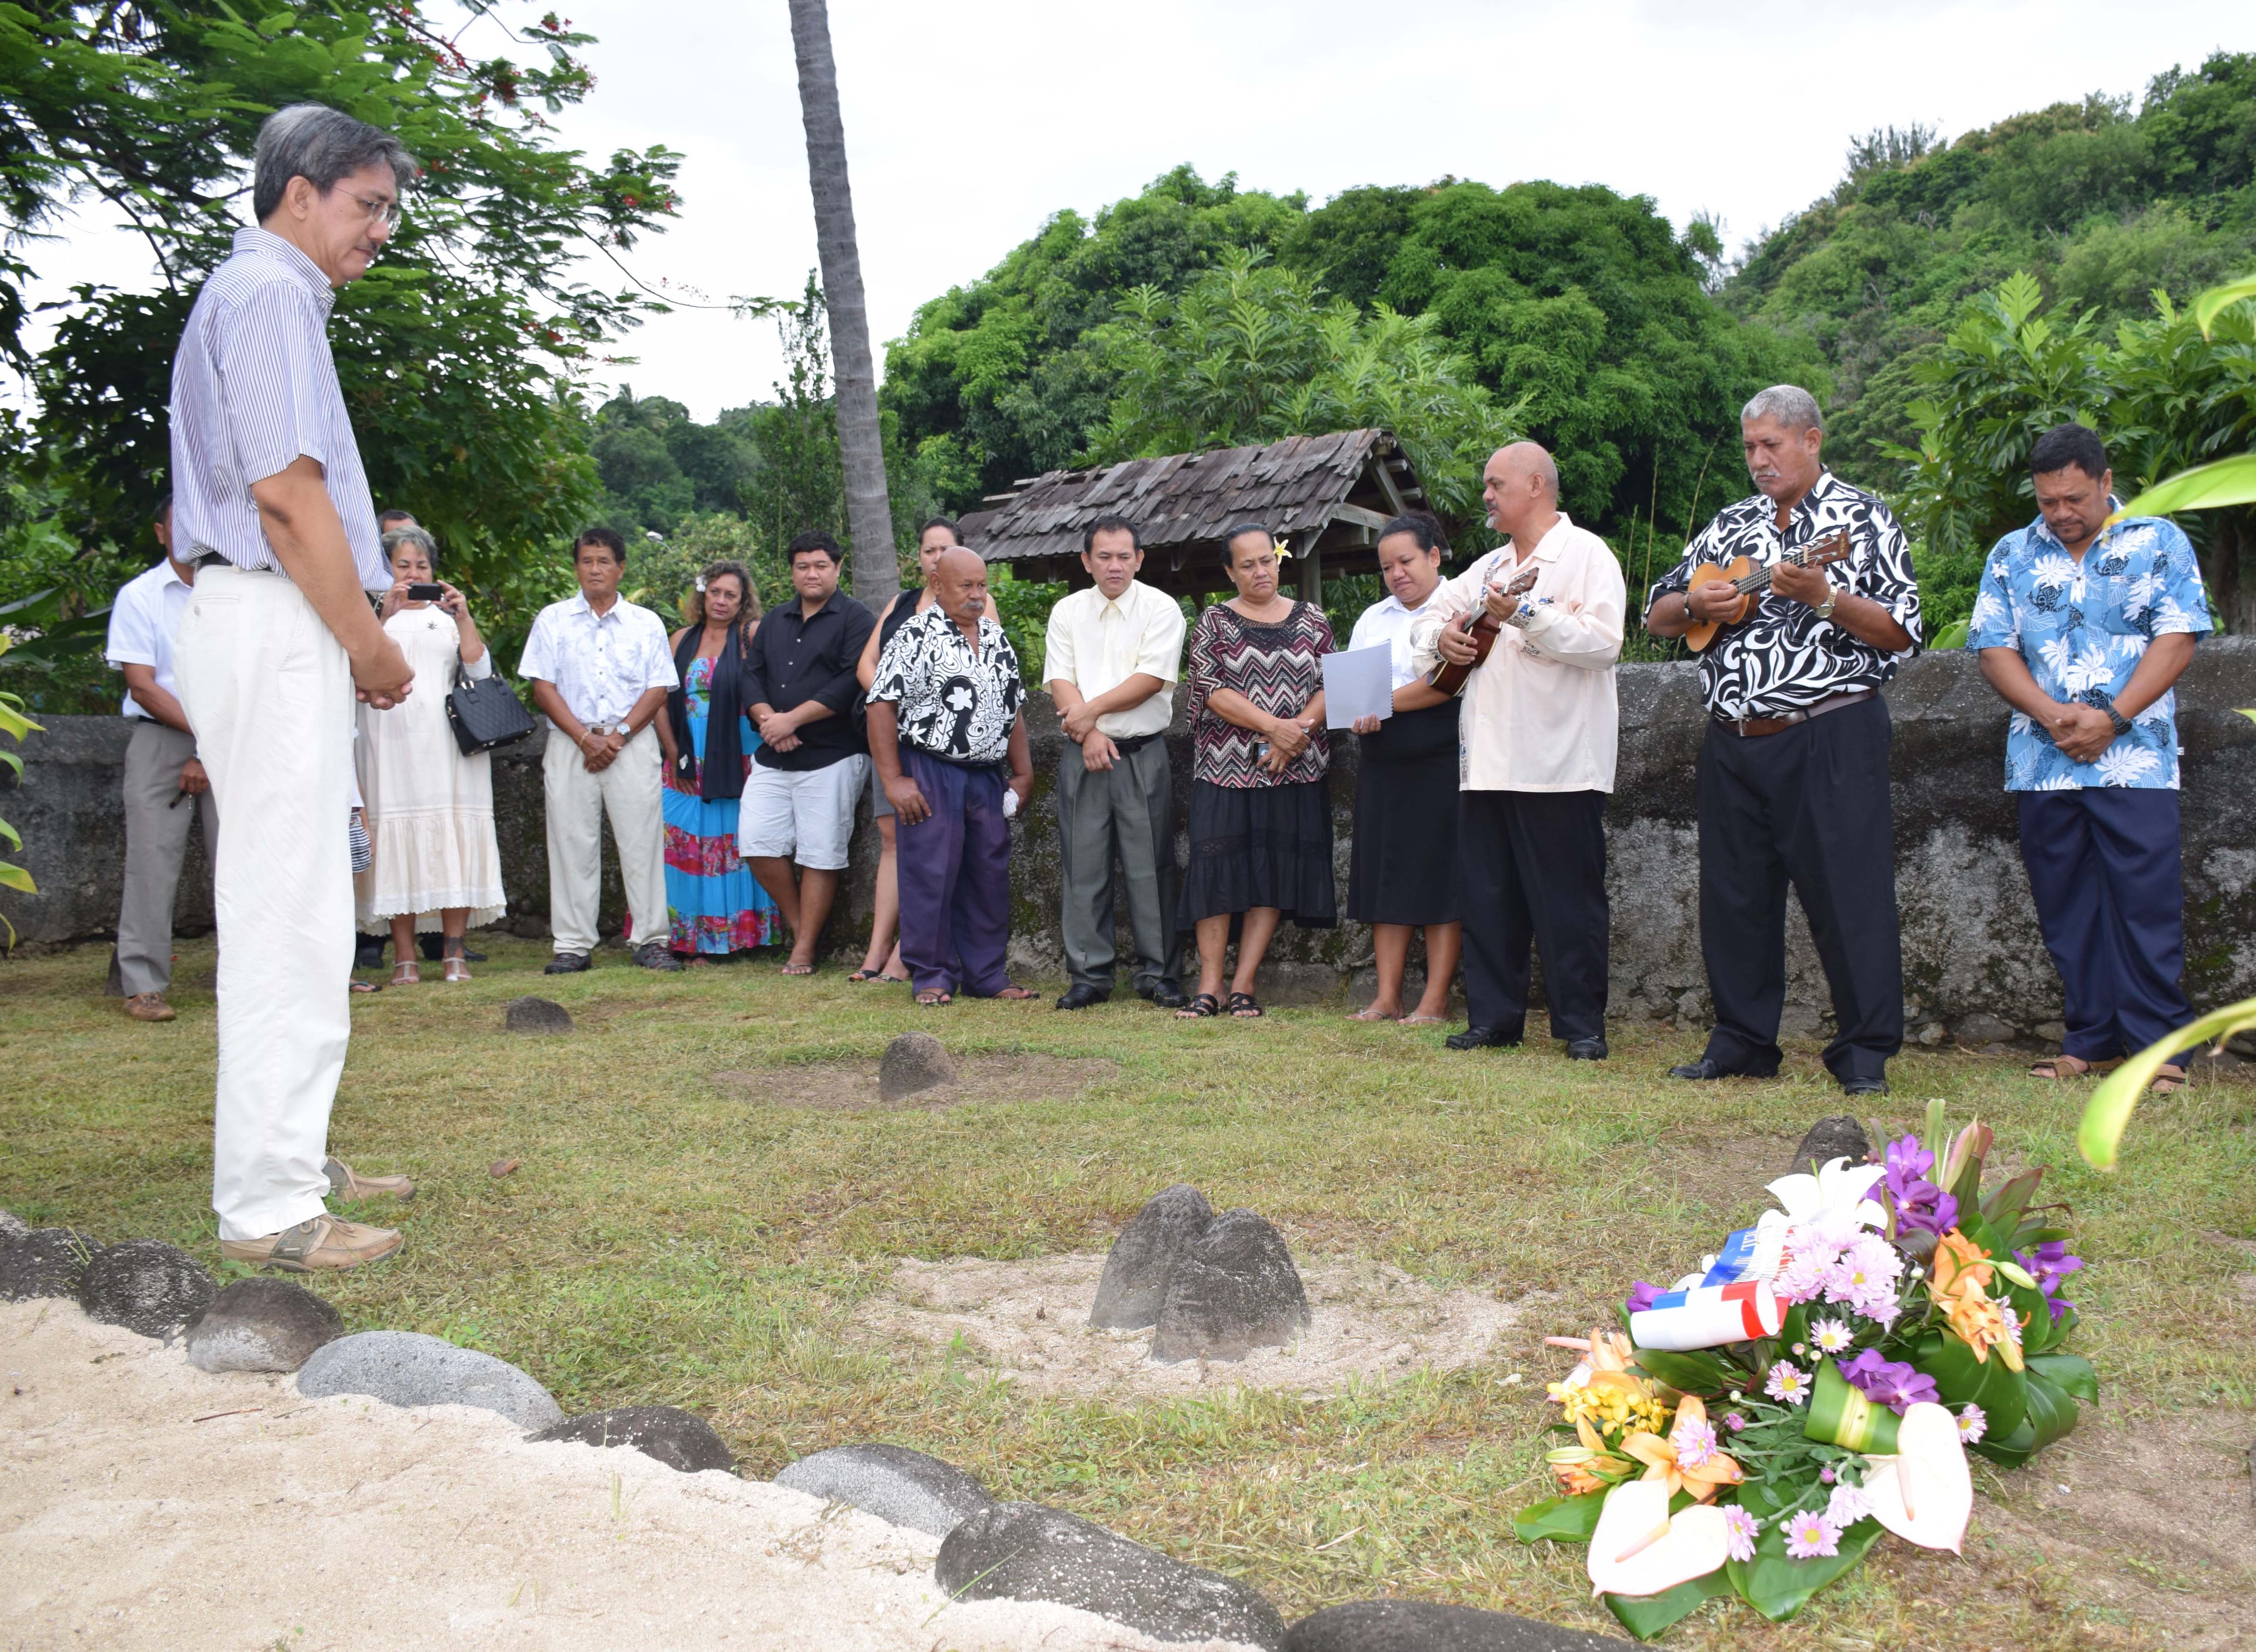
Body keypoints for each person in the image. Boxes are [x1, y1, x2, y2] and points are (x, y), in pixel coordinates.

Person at [167, 102, 420, 1272]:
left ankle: (296, 1157)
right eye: (368, 207)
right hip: (275, 615)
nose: (380, 233)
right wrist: (370, 644)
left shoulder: (268, 298)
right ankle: (269, 1205)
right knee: (289, 914)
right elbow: (285, 497)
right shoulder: (266, 294)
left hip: (274, 616)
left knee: (306, 903)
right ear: (300, 190)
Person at [1644, 385, 1922, 1097]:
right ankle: (1741, 1041)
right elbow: (1658, 613)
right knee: (1734, 895)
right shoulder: (1730, 523)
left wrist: (1823, 597)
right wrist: (1696, 604)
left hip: (1826, 728)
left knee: (1848, 893)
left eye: (1770, 444)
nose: (1758, 459)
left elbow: (1900, 630)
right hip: (1733, 735)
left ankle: (1863, 1053)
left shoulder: (1859, 516)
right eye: (1748, 448)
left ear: (1810, 441)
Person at [1968, 422, 2213, 1094]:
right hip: (2043, 762)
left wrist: (2112, 718)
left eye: (2075, 498)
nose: (2062, 514)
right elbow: (1994, 647)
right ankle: (2093, 1040)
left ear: (2107, 482)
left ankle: (2160, 1049)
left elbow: (2179, 637)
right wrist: (2054, 718)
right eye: (2049, 501)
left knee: (2146, 903)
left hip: (2136, 759)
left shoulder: (2158, 541)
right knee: (2066, 904)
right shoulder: (2012, 554)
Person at [1414, 447, 1625, 1057]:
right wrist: (1443, 637)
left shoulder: (1587, 554)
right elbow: (1427, 614)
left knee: (1568, 902)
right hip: (1486, 760)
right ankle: (1495, 1017)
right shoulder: (1487, 566)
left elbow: (1605, 643)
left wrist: (1527, 612)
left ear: (1536, 485)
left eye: (1494, 484)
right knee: (1488, 896)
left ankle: (1581, 1024)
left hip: (1560, 760)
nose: (1485, 495)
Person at [1176, 525, 1335, 1019]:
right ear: (1230, 572)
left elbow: (1333, 683)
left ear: (1278, 561)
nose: (1260, 571)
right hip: (1224, 769)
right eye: (1247, 565)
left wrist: (1296, 733)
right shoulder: (1214, 623)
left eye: (1266, 560)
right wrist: (1274, 727)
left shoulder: (1313, 619)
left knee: (1272, 869)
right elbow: (1211, 690)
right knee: (1215, 869)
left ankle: (1244, 985)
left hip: (1295, 768)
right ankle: (1210, 986)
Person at [866, 546, 1037, 1007]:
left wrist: (1023, 773)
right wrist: (894, 780)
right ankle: (934, 976)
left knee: (988, 874)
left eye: (982, 585)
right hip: (931, 770)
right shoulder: (914, 634)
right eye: (966, 586)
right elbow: (881, 704)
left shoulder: (997, 639)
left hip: (986, 776)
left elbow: (1013, 708)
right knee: (931, 872)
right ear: (939, 585)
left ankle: (986, 975)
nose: (977, 595)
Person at [520, 527, 683, 974]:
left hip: (630, 742)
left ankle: (652, 940)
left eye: (604, 561)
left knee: (642, 840)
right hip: (571, 742)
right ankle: (572, 945)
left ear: (621, 568)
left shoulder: (645, 622)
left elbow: (657, 688)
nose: (595, 569)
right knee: (571, 840)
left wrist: (618, 736)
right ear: (576, 568)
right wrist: (584, 738)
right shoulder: (553, 619)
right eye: (587, 561)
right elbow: (542, 686)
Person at [1044, 514, 1190, 1011]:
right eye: (1104, 556)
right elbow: (1060, 679)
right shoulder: (1067, 612)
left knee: (1151, 865)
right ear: (1087, 561)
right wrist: (1087, 731)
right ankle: (1089, 975)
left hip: (1141, 753)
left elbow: (1150, 678)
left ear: (1140, 559)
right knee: (1083, 864)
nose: (1115, 566)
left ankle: (1160, 974)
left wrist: (1089, 717)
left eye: (1125, 556)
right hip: (1082, 755)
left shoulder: (1161, 608)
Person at [354, 525, 507, 983]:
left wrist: (463, 617)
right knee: (397, 843)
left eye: (422, 566)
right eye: (403, 566)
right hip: (390, 742)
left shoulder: (447, 618)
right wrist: (385, 612)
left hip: (450, 747)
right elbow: (354, 665)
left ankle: (454, 955)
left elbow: (479, 668)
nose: (414, 573)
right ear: (386, 570)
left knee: (453, 839)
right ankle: (404, 957)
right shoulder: (369, 618)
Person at [739, 530, 876, 975]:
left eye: (821, 565)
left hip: (833, 754)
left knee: (820, 852)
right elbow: (751, 677)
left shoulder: (857, 618)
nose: (811, 573)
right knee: (757, 842)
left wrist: (792, 720)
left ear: (838, 568)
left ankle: (804, 949)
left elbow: (849, 680)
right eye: (803, 566)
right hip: (774, 752)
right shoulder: (775, 620)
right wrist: (769, 721)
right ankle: (802, 929)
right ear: (792, 571)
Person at [104, 495, 219, 1023]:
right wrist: (203, 741)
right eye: (180, 523)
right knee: (153, 861)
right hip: (162, 738)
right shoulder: (141, 596)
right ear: (161, 533)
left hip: (236, 738)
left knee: (242, 859)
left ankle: (247, 975)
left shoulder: (234, 596)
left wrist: (214, 744)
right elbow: (143, 687)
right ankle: (142, 984)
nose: (193, 531)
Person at [1345, 513, 1462, 1026]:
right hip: (1382, 754)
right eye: (1387, 566)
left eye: (1407, 561)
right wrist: (1358, 712)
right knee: (1383, 873)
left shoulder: (1462, 607)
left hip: (1442, 751)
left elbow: (1445, 682)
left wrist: (1381, 703)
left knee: (1441, 874)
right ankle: (1386, 997)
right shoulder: (1374, 618)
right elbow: (1353, 687)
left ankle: (1435, 1001)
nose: (1397, 574)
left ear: (1434, 556)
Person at [848, 516, 960, 983]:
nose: (936, 558)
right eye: (929, 550)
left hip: (940, 744)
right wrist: (895, 706)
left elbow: (981, 670)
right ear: (919, 558)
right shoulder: (900, 603)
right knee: (892, 841)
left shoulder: (974, 600)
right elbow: (866, 665)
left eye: (945, 550)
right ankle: (875, 953)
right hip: (889, 737)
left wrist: (918, 713)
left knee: (933, 846)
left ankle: (905, 953)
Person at [655, 558, 783, 960]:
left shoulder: (751, 636)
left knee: (737, 844)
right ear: (702, 593)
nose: (722, 602)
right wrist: (676, 755)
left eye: (732, 595)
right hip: (688, 755)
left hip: (739, 755)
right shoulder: (680, 640)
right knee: (684, 843)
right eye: (715, 592)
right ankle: (687, 937)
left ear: (744, 601)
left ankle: (743, 937)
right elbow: (660, 698)